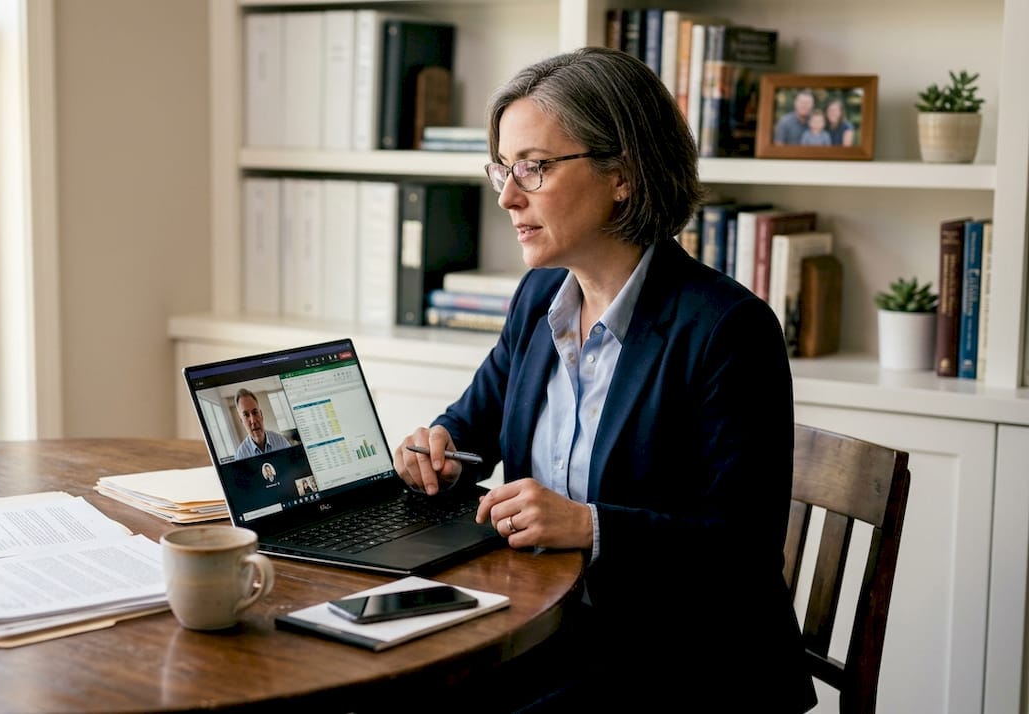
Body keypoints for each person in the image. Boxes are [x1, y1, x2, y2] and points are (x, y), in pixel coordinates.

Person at [392, 47, 816, 712]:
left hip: (683, 666)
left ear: (623, 173)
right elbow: (471, 423)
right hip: (547, 631)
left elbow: (742, 550)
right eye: (503, 168)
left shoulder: (728, 329)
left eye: (533, 167)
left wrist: (589, 526)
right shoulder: (539, 300)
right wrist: (437, 449)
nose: (507, 196)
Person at [232, 388, 290, 460]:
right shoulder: (241, 455)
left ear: (261, 414)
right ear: (241, 421)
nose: (253, 421)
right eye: (246, 415)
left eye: (255, 412)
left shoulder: (281, 442)